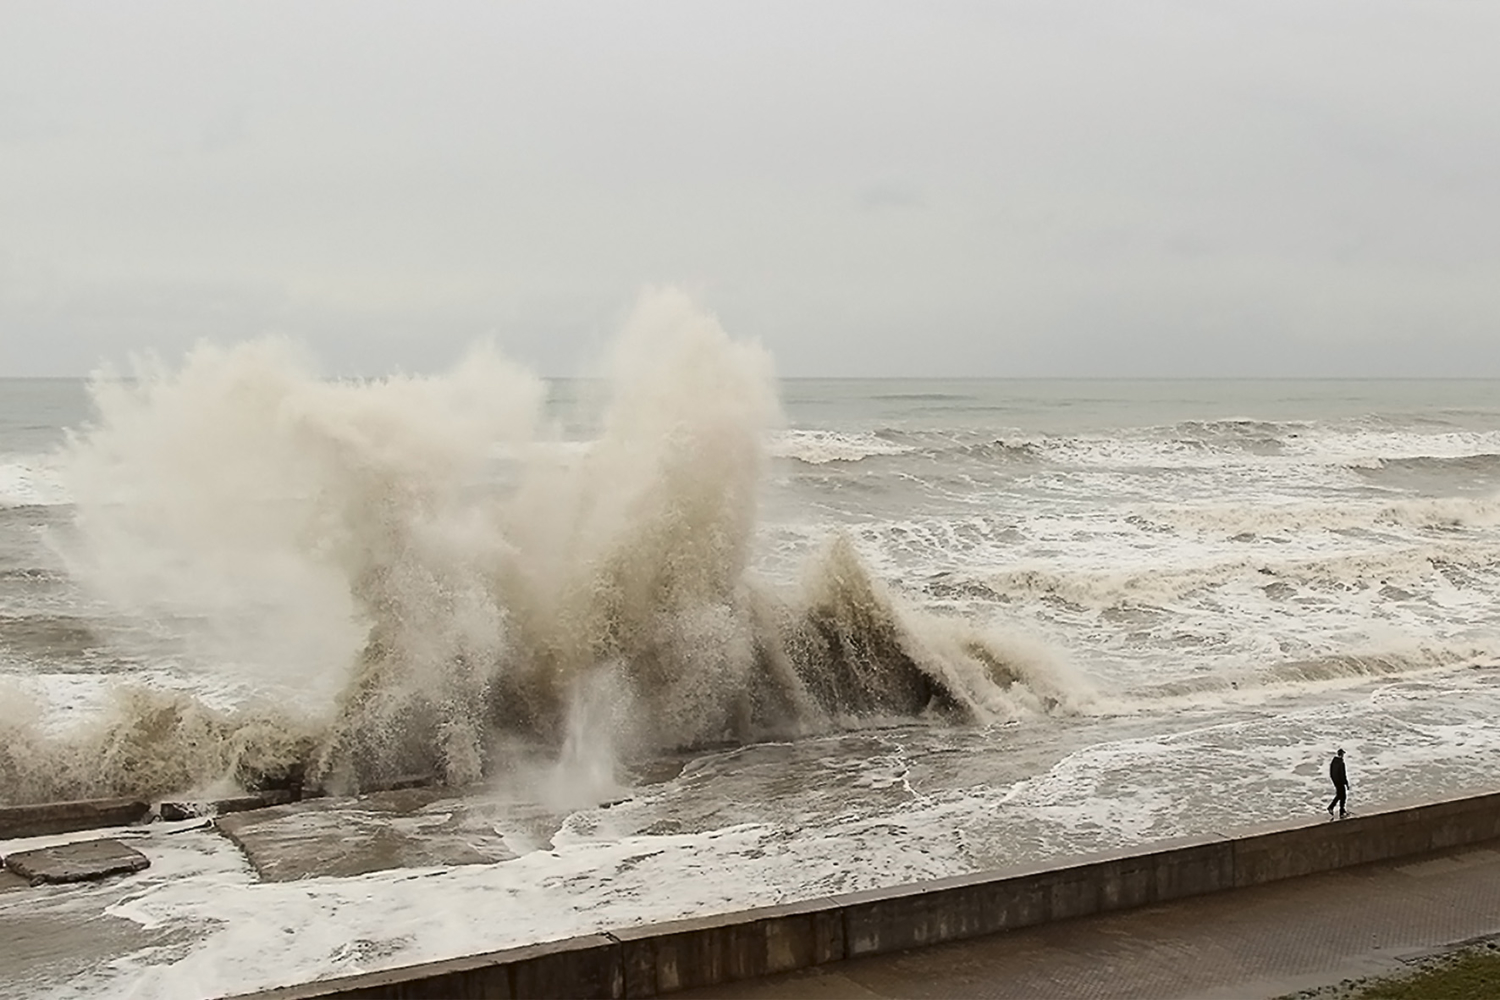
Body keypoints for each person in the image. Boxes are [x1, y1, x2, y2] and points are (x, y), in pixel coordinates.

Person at [1327, 748, 1349, 817]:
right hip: (1340, 782)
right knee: (1343, 796)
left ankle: (1340, 810)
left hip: (1336, 781)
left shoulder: (1334, 762)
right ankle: (1338, 810)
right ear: (1342, 754)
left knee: (1340, 795)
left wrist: (1334, 781)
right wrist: (1346, 783)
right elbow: (1343, 774)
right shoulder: (1341, 763)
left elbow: (1331, 773)